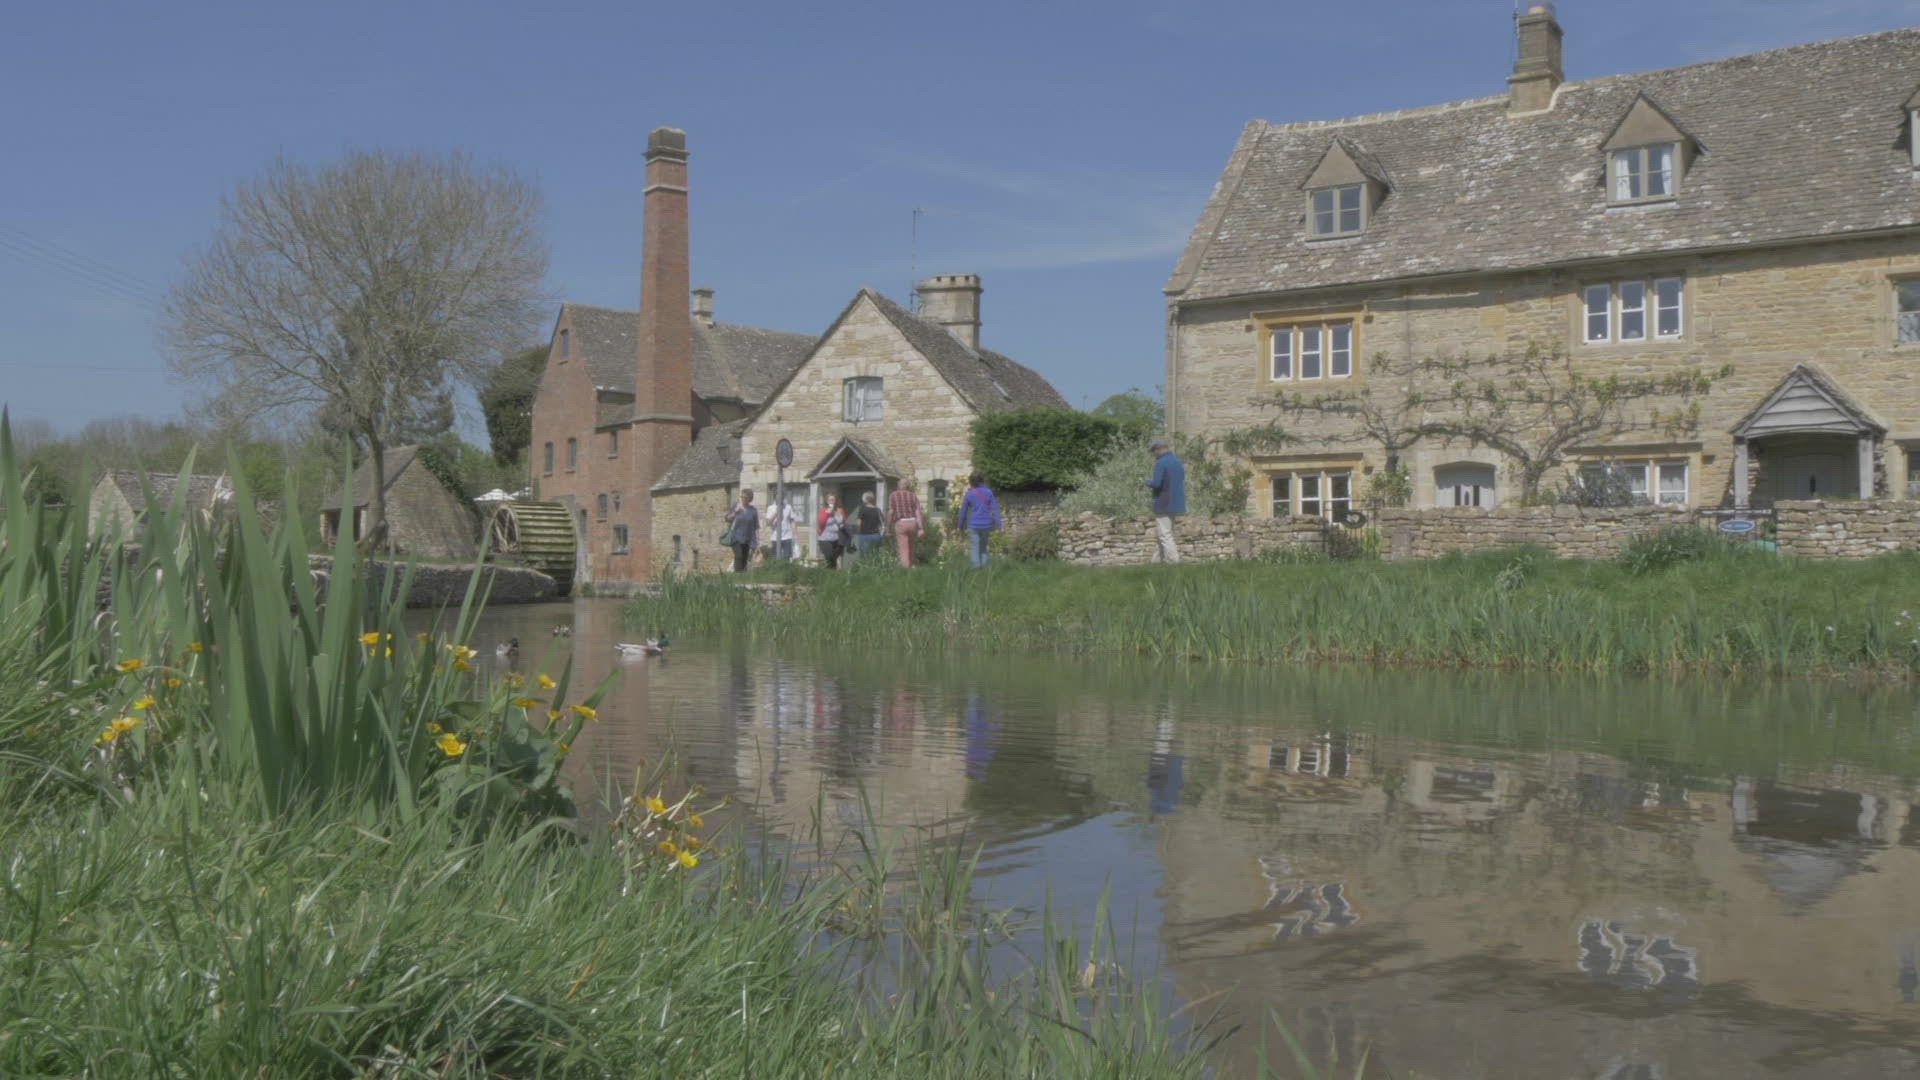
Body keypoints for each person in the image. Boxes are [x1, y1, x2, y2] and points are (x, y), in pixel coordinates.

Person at [1146, 437, 1186, 564]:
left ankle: (1174, 561)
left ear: (1158, 449)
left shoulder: (1161, 463)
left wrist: (1147, 482)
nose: (1154, 454)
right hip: (1176, 502)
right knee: (1164, 533)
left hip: (1164, 502)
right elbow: (1181, 479)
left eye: (1154, 451)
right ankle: (1157, 561)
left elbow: (1157, 483)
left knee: (1164, 534)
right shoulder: (1177, 462)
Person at [957, 472, 1001, 568]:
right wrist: (999, 526)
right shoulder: (989, 492)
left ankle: (976, 569)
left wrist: (960, 526)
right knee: (983, 547)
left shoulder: (969, 494)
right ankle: (984, 569)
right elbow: (995, 510)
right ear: (982, 480)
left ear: (971, 482)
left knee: (974, 547)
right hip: (986, 524)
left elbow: (963, 512)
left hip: (974, 525)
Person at [887, 478, 924, 568]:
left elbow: (891, 512)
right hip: (912, 522)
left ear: (899, 485)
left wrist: (888, 527)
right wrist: (921, 528)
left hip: (901, 523)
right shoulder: (913, 495)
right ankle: (910, 566)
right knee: (911, 546)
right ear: (908, 486)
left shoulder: (893, 495)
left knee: (903, 548)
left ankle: (905, 569)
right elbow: (918, 512)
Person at [724, 490, 759, 572]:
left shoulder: (753, 510)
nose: (742, 498)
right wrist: (735, 512)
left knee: (744, 559)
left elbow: (756, 526)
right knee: (739, 556)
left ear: (749, 499)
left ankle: (742, 577)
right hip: (735, 537)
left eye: (745, 497)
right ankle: (738, 574)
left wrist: (758, 541)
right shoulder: (736, 506)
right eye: (742, 496)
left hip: (747, 539)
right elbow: (727, 519)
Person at [852, 492, 884, 561]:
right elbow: (882, 524)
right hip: (876, 535)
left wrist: (856, 534)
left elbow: (858, 523)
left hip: (864, 535)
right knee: (875, 556)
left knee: (864, 557)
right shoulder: (878, 510)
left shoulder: (862, 509)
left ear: (864, 500)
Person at [817, 502, 847, 569]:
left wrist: (837, 514)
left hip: (837, 538)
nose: (832, 502)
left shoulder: (839, 510)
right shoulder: (823, 511)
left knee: (833, 559)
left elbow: (842, 522)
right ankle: (828, 572)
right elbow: (821, 522)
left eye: (833, 500)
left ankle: (832, 573)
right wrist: (828, 512)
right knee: (829, 557)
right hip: (824, 538)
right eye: (830, 500)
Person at [767, 494, 797, 561]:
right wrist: (776, 513)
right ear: (775, 498)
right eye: (778, 497)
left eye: (781, 497)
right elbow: (768, 523)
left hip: (787, 536)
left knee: (787, 558)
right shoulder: (771, 508)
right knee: (776, 558)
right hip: (775, 537)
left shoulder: (788, 507)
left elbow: (792, 521)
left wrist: (795, 534)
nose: (780, 499)